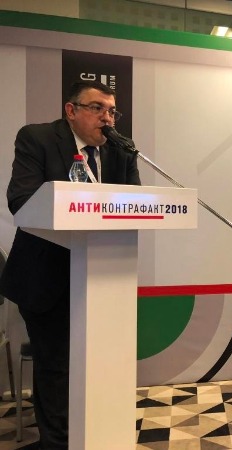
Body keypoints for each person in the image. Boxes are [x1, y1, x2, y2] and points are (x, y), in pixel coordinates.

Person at [0, 80, 141, 449]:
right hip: (45, 275)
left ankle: (97, 434)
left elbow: (136, 205)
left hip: (103, 277)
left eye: (111, 111)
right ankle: (58, 442)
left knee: (101, 362)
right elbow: (21, 200)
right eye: (97, 108)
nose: (107, 118)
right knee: (57, 364)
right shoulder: (38, 138)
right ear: (71, 110)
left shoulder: (121, 149)